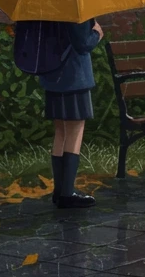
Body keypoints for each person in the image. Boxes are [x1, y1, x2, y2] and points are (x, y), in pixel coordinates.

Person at [40, 19, 104, 209]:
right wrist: (97, 34)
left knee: (60, 130)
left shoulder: (47, 6)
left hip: (52, 75)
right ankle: (67, 193)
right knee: (75, 128)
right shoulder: (75, 9)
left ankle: (59, 191)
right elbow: (82, 43)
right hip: (75, 76)